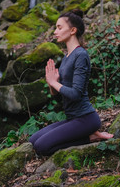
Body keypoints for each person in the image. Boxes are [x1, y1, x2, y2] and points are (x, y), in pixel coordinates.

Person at [29, 10, 113, 156]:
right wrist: (51, 83)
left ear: (73, 30)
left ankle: (89, 137)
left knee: (41, 147)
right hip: (72, 118)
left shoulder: (81, 55)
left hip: (86, 118)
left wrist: (54, 83)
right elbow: (56, 94)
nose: (55, 32)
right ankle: (87, 136)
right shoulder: (66, 57)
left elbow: (75, 94)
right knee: (33, 140)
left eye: (59, 28)